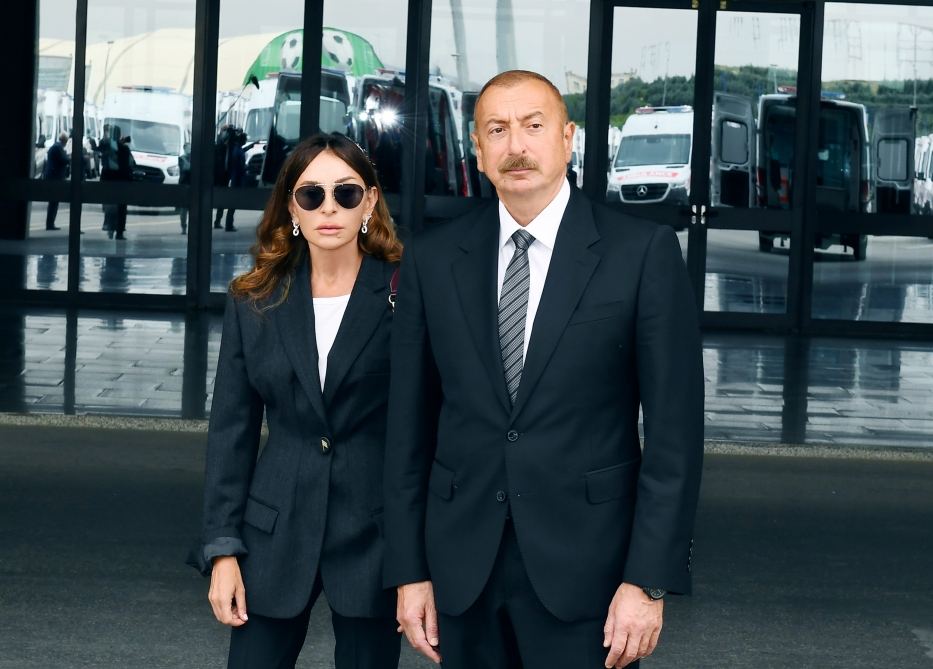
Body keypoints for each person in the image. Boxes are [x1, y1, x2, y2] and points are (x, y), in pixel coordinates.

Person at [384, 70, 704, 669]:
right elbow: (408, 430)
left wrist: (648, 581)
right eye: (497, 130)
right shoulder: (432, 258)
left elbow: (674, 440)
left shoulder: (642, 253)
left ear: (568, 137)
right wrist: (409, 571)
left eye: (533, 126)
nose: (516, 146)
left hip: (590, 572)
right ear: (477, 150)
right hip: (461, 568)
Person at [192, 132, 404, 669]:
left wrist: (419, 558)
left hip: (375, 534)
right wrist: (222, 549)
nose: (328, 208)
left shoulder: (407, 295)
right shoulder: (254, 300)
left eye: (346, 193)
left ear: (369, 202)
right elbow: (231, 433)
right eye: (311, 194)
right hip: (273, 529)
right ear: (291, 207)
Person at [42, 132, 69, 230]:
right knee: (54, 202)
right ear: (65, 140)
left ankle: (50, 223)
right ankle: (50, 224)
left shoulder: (55, 146)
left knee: (53, 202)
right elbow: (64, 160)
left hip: (52, 176)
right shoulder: (58, 148)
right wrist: (69, 157)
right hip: (55, 178)